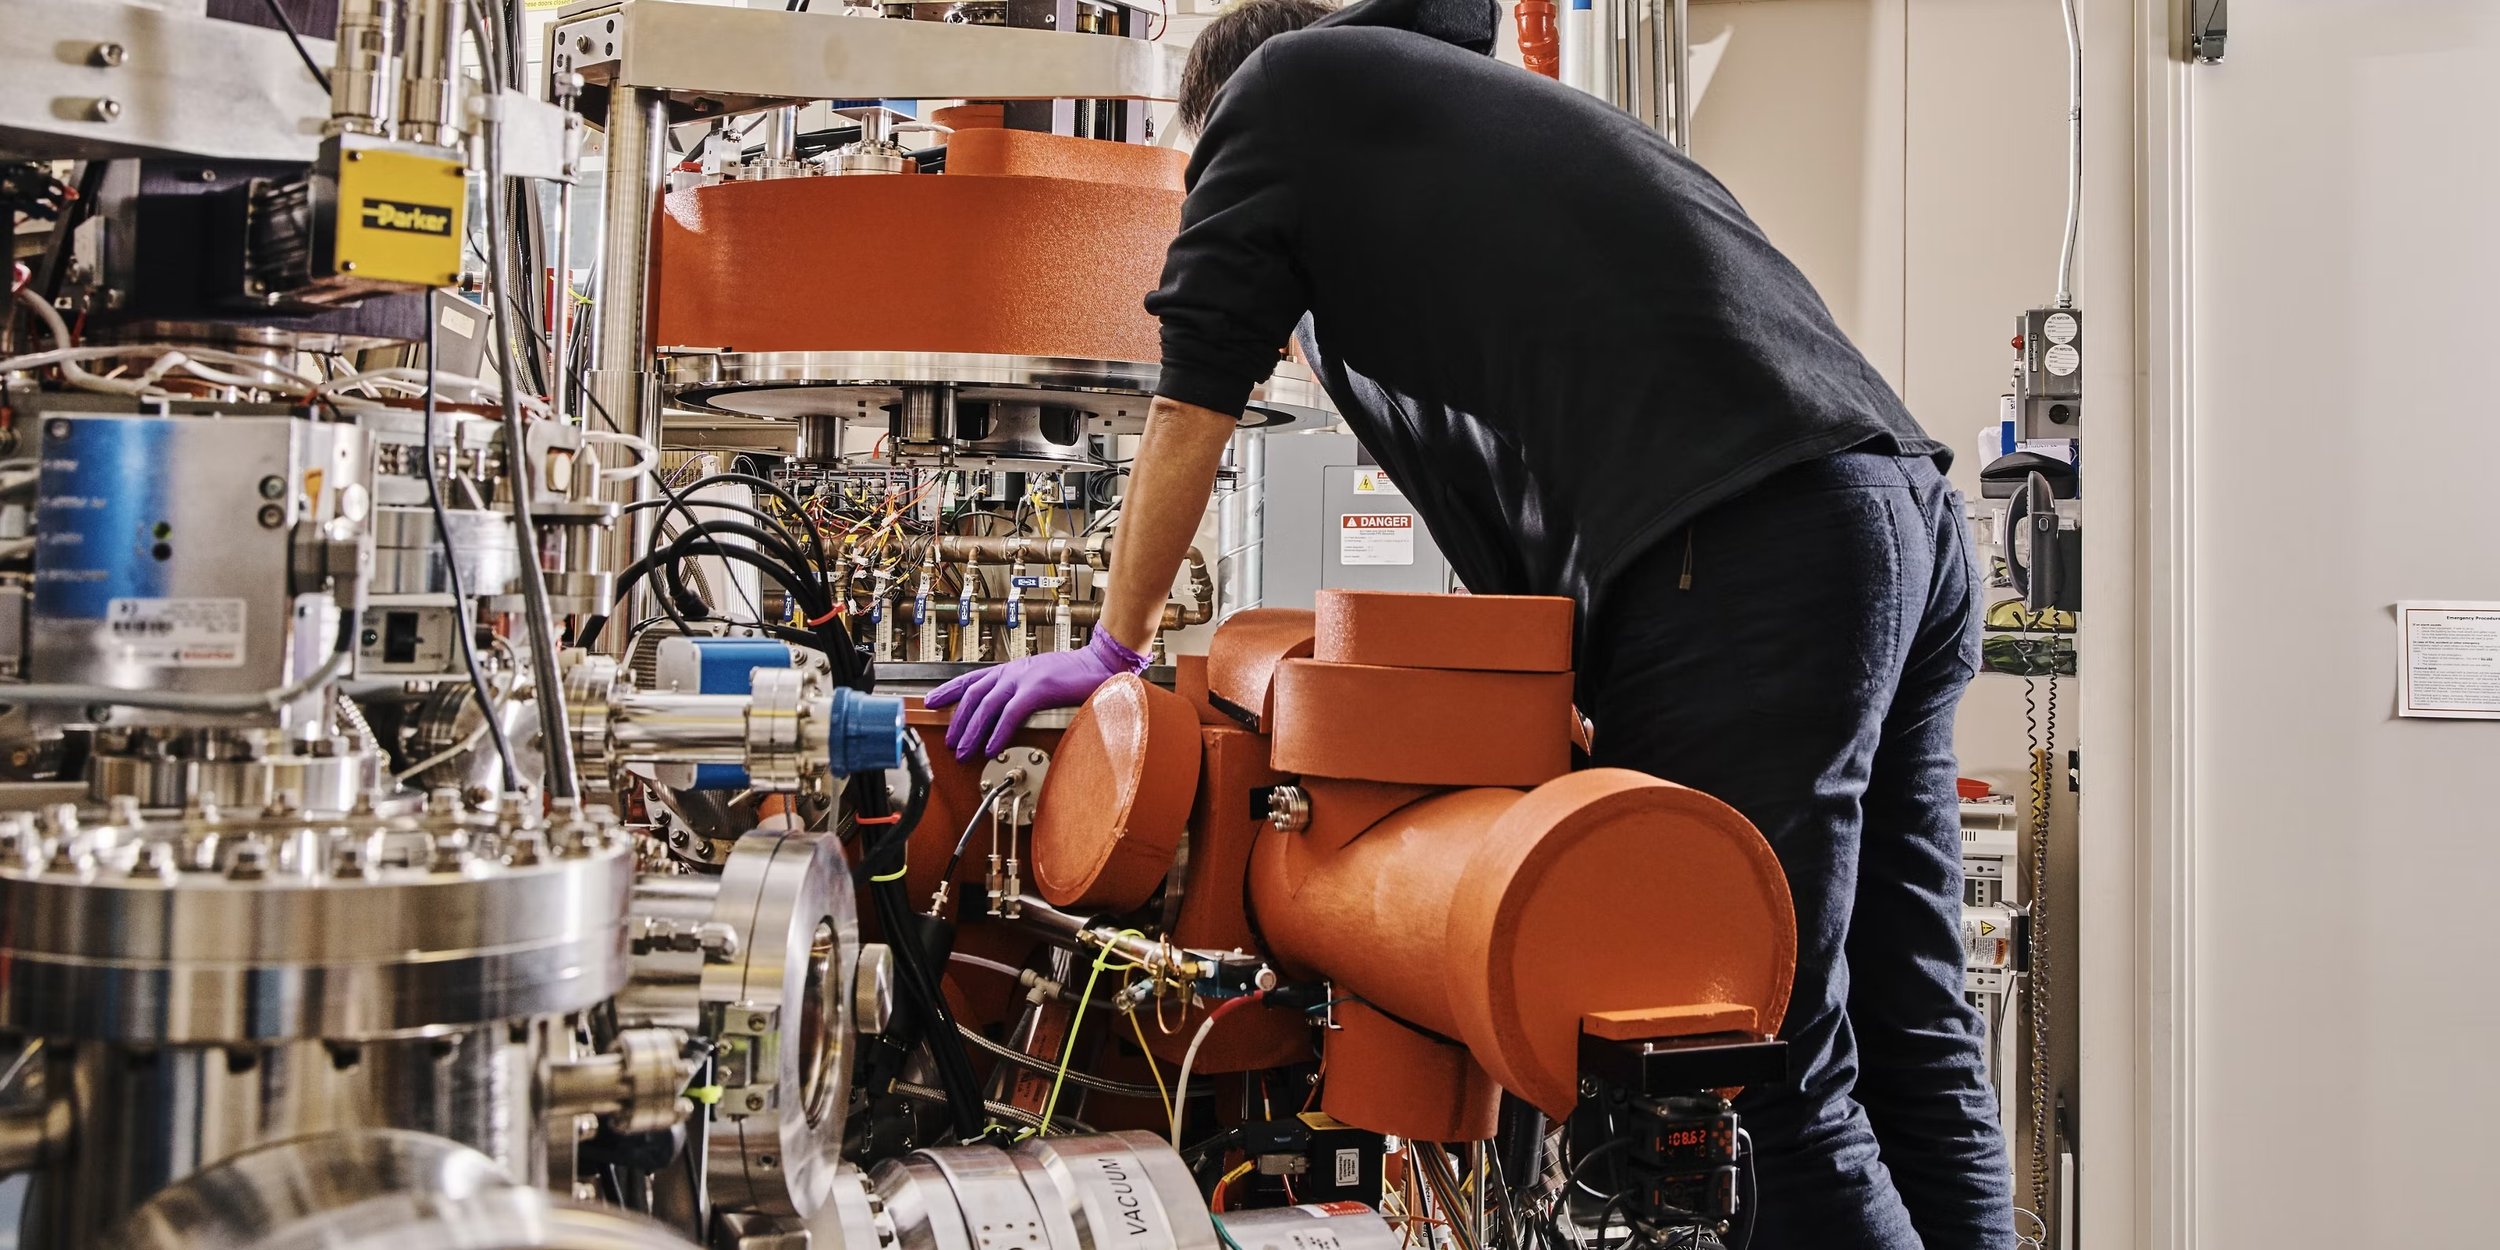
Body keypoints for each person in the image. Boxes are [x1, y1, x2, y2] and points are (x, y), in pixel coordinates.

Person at [925, 0, 2012, 1245]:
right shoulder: (1476, 134)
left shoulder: (1277, 93)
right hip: (1892, 523)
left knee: (1737, 1068)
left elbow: (1193, 390)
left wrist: (1111, 649)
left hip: (1745, 550)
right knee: (1909, 1028)